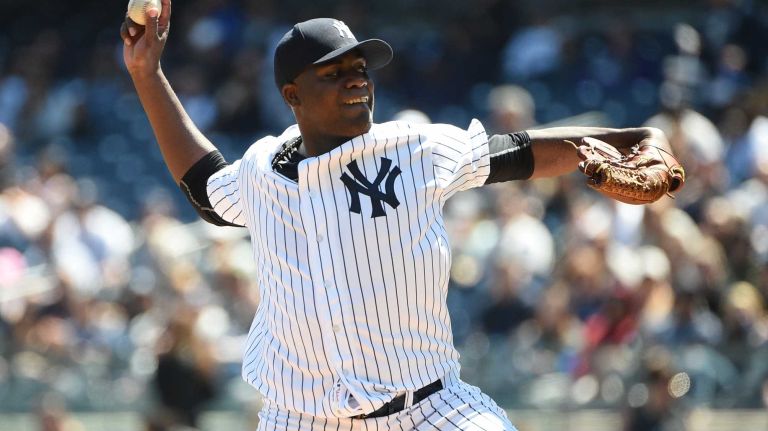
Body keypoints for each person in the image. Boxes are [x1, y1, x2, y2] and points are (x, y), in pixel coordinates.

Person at [120, 2, 677, 429]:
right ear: (292, 94)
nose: (356, 78)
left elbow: (519, 151)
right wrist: (148, 75)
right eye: (333, 73)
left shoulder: (414, 147)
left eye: (360, 67)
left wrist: (630, 139)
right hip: (302, 417)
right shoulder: (263, 169)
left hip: (427, 409)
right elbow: (206, 189)